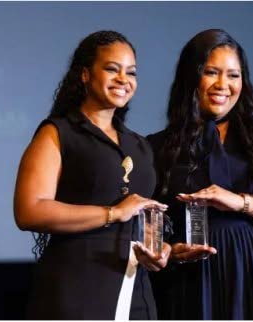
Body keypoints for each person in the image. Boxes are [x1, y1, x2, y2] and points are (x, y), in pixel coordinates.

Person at [147, 29, 253, 319]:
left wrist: (242, 201)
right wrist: (168, 250)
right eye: (211, 72)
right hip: (194, 288)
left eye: (233, 75)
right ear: (191, 77)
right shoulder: (157, 147)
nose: (223, 85)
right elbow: (150, 229)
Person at [13, 30, 171, 320]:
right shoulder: (58, 133)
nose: (124, 79)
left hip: (135, 290)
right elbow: (29, 210)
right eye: (112, 69)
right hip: (76, 287)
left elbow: (145, 215)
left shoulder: (140, 145)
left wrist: (159, 249)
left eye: (131, 72)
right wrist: (112, 213)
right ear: (85, 75)